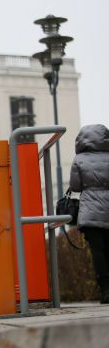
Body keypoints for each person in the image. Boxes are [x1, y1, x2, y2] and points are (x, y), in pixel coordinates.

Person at [69, 124, 109, 304]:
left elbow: (76, 186)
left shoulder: (79, 159)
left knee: (98, 251)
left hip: (91, 211)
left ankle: (106, 291)